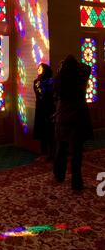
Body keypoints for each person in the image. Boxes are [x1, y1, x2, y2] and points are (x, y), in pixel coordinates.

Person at [53, 55, 93, 191]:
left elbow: (56, 92)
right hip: (78, 116)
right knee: (77, 152)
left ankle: (59, 175)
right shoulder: (81, 76)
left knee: (61, 148)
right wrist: (76, 64)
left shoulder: (59, 78)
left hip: (63, 115)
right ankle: (77, 182)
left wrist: (62, 65)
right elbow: (87, 67)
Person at [33, 63, 55, 161]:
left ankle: (52, 153)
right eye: (38, 68)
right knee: (42, 131)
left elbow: (48, 95)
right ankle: (44, 153)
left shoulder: (51, 82)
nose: (38, 69)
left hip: (49, 108)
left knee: (50, 131)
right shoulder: (36, 82)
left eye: (41, 68)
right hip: (40, 109)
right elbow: (39, 94)